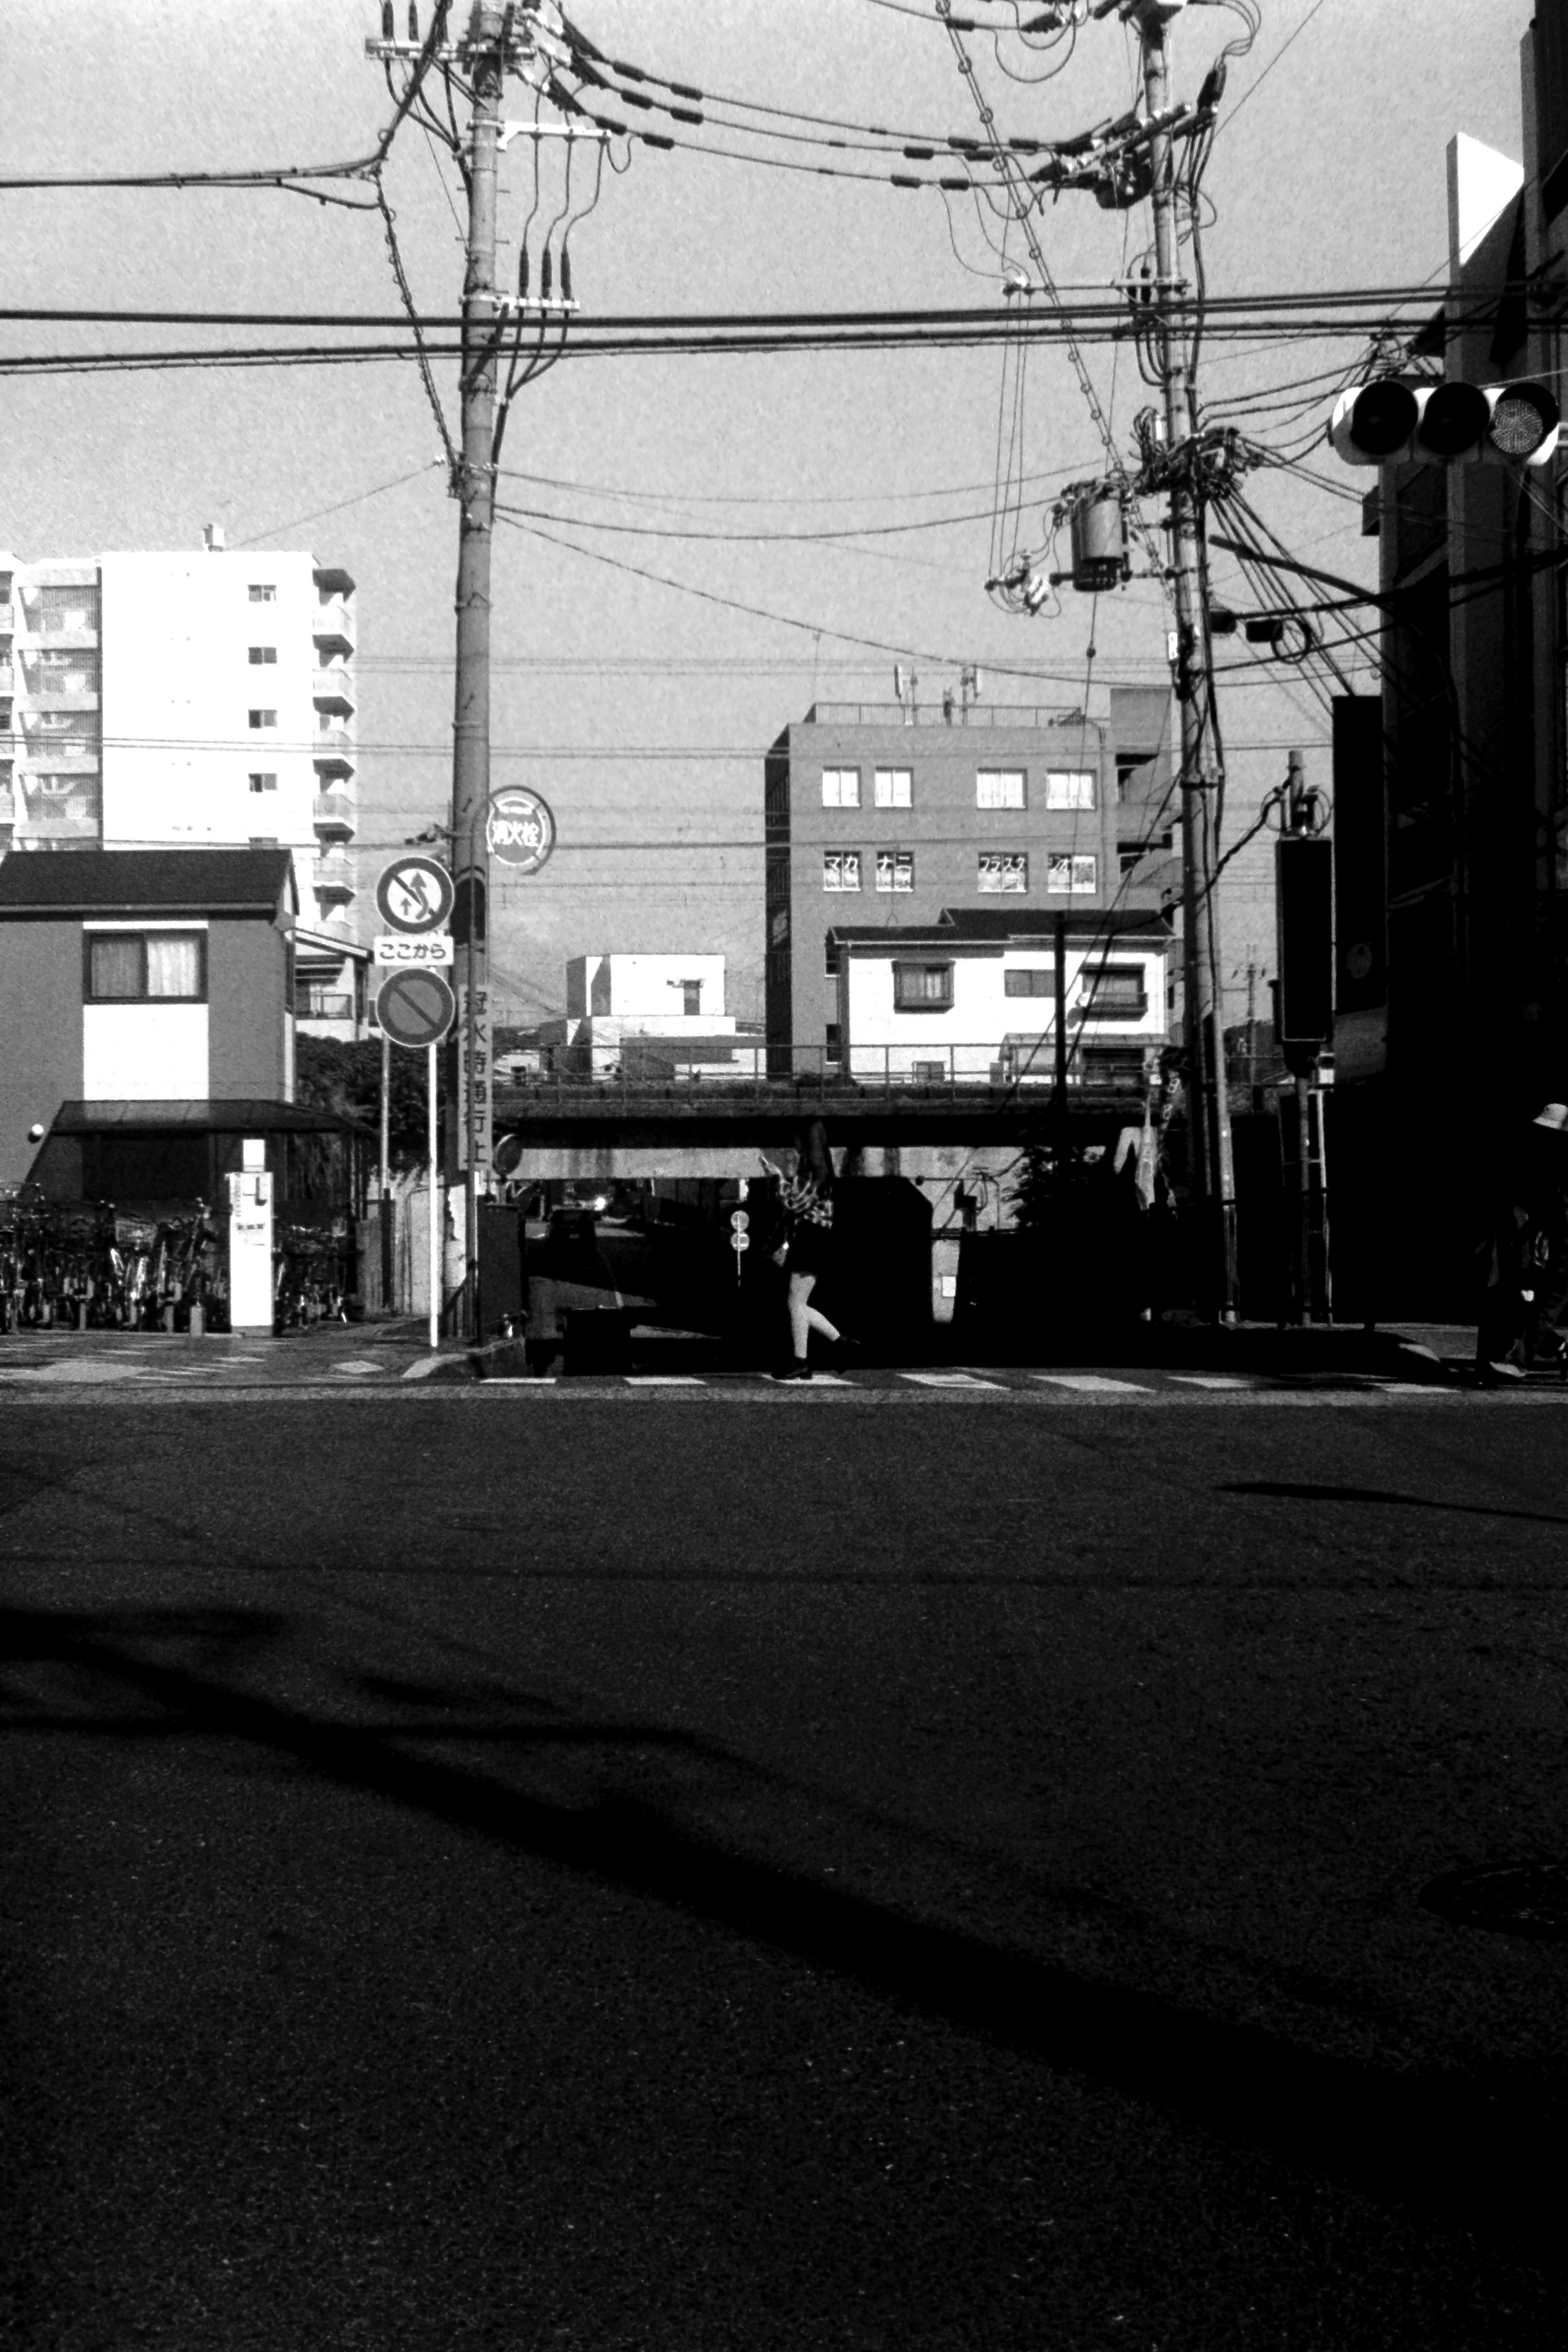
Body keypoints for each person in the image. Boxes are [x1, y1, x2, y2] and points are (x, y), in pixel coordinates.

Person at [1476, 1100, 1568, 1382]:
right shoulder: (1555, 1164)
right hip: (1559, 1243)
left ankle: (1521, 1362)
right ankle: (1536, 1355)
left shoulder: (1557, 1164)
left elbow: (1552, 1210)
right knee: (1543, 1303)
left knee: (1545, 1304)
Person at [760, 1122, 851, 1379]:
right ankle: (839, 1344)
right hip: (812, 1237)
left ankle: (803, 1360)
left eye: (797, 1140)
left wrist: (776, 1176)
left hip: (813, 1237)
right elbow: (793, 1211)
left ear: (806, 1144)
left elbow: (794, 1202)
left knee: (796, 1301)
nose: (794, 1146)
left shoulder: (815, 1173)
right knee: (798, 1303)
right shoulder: (815, 1172)